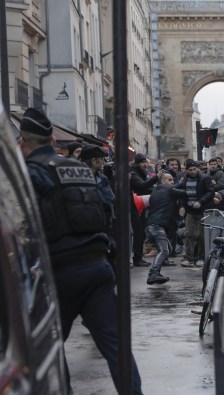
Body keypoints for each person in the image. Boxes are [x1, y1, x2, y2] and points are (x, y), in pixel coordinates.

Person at [17, 108, 144, 393]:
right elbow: (105, 211)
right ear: (53, 142)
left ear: (23, 143)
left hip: (61, 271)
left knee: (47, 346)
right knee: (115, 345)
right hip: (98, 266)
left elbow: (21, 225)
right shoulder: (79, 170)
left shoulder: (31, 173)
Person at [145, 173, 188, 284]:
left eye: (173, 180)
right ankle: (153, 273)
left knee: (166, 248)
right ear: (163, 181)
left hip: (153, 225)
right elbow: (185, 193)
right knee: (164, 250)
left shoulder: (156, 191)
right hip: (157, 226)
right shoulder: (168, 190)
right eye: (170, 180)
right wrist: (186, 183)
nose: (173, 182)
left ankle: (157, 271)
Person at [181, 159, 214, 267]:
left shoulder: (205, 178)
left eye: (195, 169)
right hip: (190, 210)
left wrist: (200, 202)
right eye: (190, 170)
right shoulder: (185, 178)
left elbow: (211, 192)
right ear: (186, 170)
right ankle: (189, 258)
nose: (193, 171)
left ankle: (200, 258)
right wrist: (182, 206)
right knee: (188, 234)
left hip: (202, 210)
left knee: (201, 235)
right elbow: (183, 193)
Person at [130, 152, 160, 267]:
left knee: (140, 233)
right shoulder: (134, 173)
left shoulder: (141, 172)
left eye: (145, 162)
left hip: (139, 206)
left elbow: (145, 188)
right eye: (142, 162)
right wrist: (156, 178)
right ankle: (137, 259)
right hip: (134, 206)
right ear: (137, 163)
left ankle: (138, 257)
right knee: (138, 233)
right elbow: (142, 186)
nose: (145, 165)